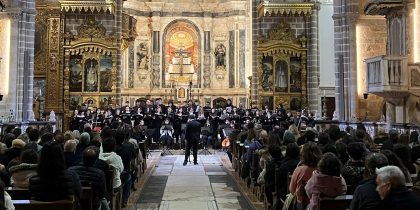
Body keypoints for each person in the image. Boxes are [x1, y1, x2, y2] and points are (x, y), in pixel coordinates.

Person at [289, 142, 322, 210]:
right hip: (320, 204)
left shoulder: (299, 169)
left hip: (302, 205)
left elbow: (292, 190)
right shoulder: (323, 169)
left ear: (303, 155)